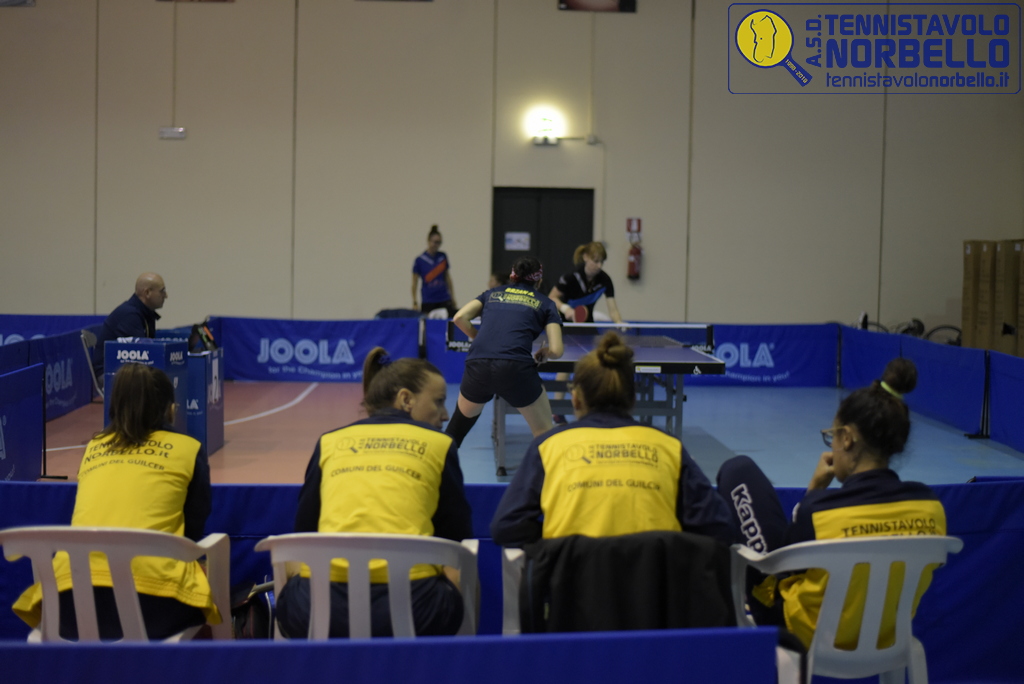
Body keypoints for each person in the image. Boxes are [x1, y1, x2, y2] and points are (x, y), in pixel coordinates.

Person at [716, 357, 947, 649]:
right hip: (888, 638)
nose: (833, 445)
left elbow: (785, 568)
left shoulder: (821, 512)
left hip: (808, 636)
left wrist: (812, 492)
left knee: (738, 470)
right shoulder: (931, 508)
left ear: (847, 439)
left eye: (832, 437)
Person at [276, 348, 473, 638]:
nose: (445, 415)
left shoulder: (329, 442)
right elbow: (456, 539)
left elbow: (304, 531)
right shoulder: (440, 445)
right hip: (417, 612)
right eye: (439, 401)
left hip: (317, 612)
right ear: (406, 399)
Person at [12, 363, 217, 640]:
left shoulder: (93, 448)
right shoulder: (189, 449)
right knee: (206, 582)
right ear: (170, 409)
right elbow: (191, 534)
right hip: (153, 609)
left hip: (66, 608)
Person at [490, 330, 736, 547]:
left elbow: (506, 527)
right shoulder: (669, 447)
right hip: (652, 584)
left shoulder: (547, 447)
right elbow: (720, 527)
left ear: (576, 399)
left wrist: (558, 541)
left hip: (570, 582)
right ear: (633, 398)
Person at [444, 256, 564, 448]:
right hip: (515, 368)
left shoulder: (491, 294)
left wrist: (477, 337)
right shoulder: (546, 303)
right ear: (539, 281)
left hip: (478, 364)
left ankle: (435, 467)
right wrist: (546, 351)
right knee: (544, 435)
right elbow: (557, 350)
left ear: (512, 276)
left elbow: (459, 318)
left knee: (455, 432)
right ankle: (544, 468)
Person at [548, 242, 624, 424]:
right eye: (595, 261)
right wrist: (566, 308)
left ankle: (593, 405)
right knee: (565, 367)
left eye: (601, 262)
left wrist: (620, 322)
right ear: (586, 258)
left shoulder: (604, 280)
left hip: (587, 326)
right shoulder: (570, 278)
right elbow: (552, 297)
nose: (598, 265)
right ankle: (557, 410)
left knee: (595, 364)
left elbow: (613, 309)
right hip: (566, 325)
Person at [92, 272, 168, 375]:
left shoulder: (146, 313)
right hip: (108, 373)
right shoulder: (129, 315)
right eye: (162, 291)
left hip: (125, 371)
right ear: (147, 293)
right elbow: (142, 354)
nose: (166, 296)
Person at [412, 225, 457, 317]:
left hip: (444, 298)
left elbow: (447, 278)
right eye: (435, 242)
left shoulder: (442, 257)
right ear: (429, 241)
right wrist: (415, 301)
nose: (437, 245)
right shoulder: (420, 260)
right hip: (429, 300)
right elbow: (414, 283)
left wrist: (452, 297)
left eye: (439, 242)